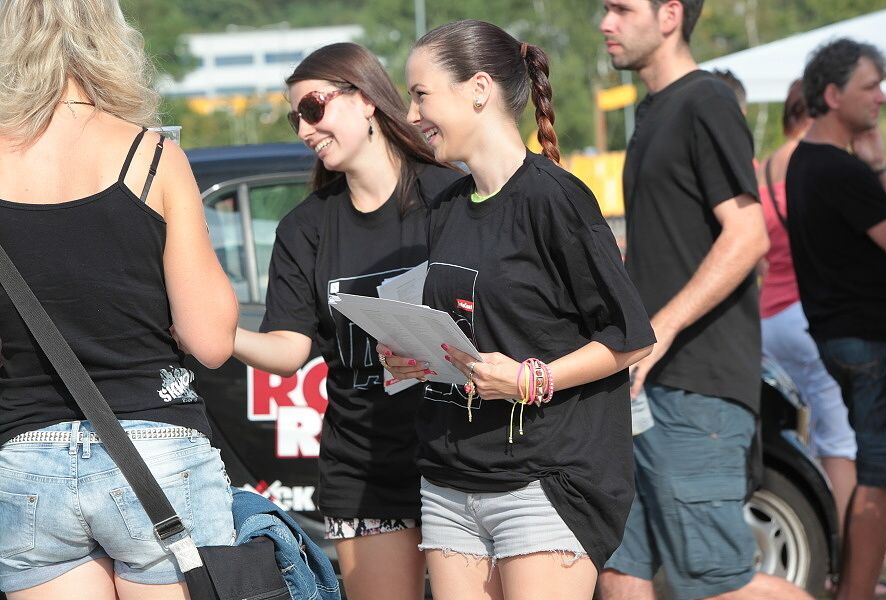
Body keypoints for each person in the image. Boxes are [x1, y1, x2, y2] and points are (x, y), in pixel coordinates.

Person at [380, 19, 656, 600]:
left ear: (478, 89)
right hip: (449, 481)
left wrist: (533, 379)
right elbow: (472, 334)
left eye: (421, 94)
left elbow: (629, 336)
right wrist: (413, 356)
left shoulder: (555, 197)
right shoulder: (446, 207)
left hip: (544, 482)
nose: (411, 114)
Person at [0, 1, 238, 599]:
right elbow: (211, 341)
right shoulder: (152, 156)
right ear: (108, 37)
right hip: (155, 450)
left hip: (24, 457)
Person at [597, 2, 812, 599]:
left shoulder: (706, 100)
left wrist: (661, 328)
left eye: (621, 9)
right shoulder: (653, 111)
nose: (606, 23)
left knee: (716, 585)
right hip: (642, 388)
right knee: (619, 573)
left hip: (698, 389)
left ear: (670, 14)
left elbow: (748, 234)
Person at [231, 43, 459, 600]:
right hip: (364, 463)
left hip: (461, 449)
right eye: (295, 119)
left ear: (365, 100)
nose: (305, 129)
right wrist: (220, 335)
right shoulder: (305, 227)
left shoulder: (449, 196)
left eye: (313, 109)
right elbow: (289, 349)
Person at [785, 38, 886, 600]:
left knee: (873, 468)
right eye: (870, 86)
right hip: (872, 340)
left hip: (841, 337)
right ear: (832, 95)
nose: (881, 96)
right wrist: (880, 169)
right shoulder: (839, 168)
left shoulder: (804, 161)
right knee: (879, 476)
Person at [757, 79, 858, 541]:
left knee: (806, 433)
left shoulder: (765, 168)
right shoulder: (819, 163)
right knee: (838, 438)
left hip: (769, 319)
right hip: (809, 315)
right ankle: (847, 555)